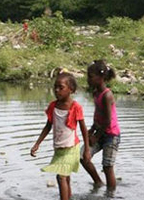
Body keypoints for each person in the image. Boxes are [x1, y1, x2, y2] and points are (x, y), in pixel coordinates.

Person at [31, 72, 90, 200]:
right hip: (58, 149)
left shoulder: (75, 107)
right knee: (66, 177)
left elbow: (84, 129)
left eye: (61, 88)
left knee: (61, 176)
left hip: (71, 148)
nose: (57, 91)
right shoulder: (53, 106)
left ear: (71, 90)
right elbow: (48, 126)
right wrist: (37, 143)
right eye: (55, 87)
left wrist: (86, 150)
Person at [81, 60, 121, 191]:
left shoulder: (107, 95)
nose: (88, 80)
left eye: (91, 77)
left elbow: (108, 121)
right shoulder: (96, 93)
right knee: (82, 157)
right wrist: (92, 129)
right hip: (99, 132)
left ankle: (110, 194)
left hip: (110, 135)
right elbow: (97, 114)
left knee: (107, 166)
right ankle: (98, 182)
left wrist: (96, 137)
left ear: (102, 77)